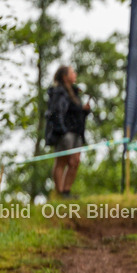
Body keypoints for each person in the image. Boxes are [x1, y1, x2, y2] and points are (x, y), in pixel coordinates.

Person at [45, 65, 91, 198]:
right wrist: (62, 131)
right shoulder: (58, 92)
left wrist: (84, 111)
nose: (75, 74)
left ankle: (66, 192)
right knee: (62, 161)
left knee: (75, 161)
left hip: (77, 132)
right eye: (72, 72)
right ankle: (59, 193)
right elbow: (56, 112)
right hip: (65, 132)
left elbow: (74, 113)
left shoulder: (74, 93)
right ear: (65, 76)